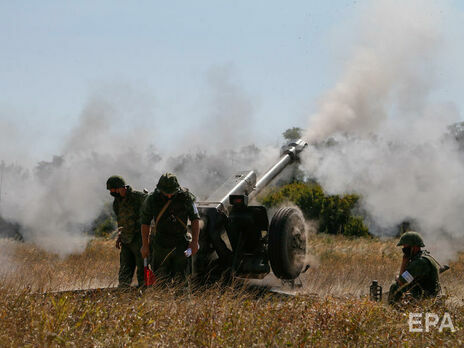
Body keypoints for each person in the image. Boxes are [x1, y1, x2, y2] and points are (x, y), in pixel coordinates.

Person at [140, 173, 200, 283]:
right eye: (165, 192)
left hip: (181, 245)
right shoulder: (152, 199)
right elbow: (145, 223)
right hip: (160, 245)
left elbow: (195, 219)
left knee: (182, 282)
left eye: (171, 192)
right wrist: (145, 245)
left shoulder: (186, 197)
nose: (168, 196)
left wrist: (195, 242)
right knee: (160, 282)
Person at [106, 175, 147, 288]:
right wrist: (119, 237)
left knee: (142, 270)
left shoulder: (138, 197)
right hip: (125, 240)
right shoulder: (116, 203)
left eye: (112, 189)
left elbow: (149, 212)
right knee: (125, 270)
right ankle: (123, 295)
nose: (111, 192)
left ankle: (145, 294)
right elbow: (121, 223)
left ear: (120, 188)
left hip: (139, 239)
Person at [388, 231, 441, 305]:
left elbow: (402, 282)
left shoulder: (419, 262)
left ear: (414, 246)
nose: (404, 249)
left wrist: (404, 260)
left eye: (405, 246)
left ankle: (393, 311)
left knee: (394, 287)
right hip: (429, 294)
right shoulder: (424, 256)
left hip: (426, 298)